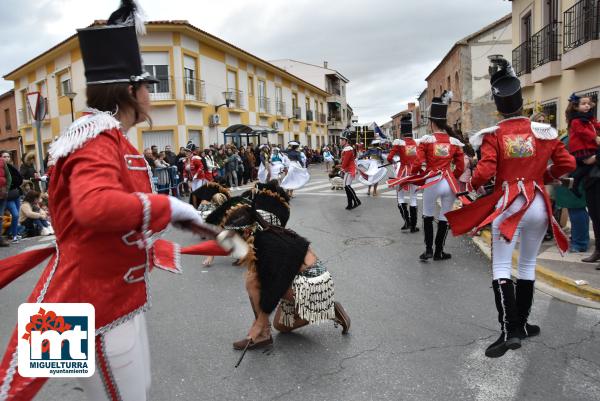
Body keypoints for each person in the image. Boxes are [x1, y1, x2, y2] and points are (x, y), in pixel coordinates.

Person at [0, 3, 247, 399]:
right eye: (147, 85)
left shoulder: (109, 138)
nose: (152, 93)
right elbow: (95, 208)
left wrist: (194, 227)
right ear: (130, 91)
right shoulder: (97, 137)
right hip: (90, 306)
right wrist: (171, 208)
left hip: (100, 297)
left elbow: (115, 221)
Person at [446, 57, 575, 358]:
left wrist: (474, 183)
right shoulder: (544, 133)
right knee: (528, 266)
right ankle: (524, 324)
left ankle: (509, 330)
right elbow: (567, 164)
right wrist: (544, 177)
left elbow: (485, 172)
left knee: (502, 266)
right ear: (521, 104)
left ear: (499, 107)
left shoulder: (494, 135)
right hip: (539, 204)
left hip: (510, 206)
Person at [182, 203, 350, 352]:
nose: (232, 238)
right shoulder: (264, 232)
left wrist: (260, 324)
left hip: (313, 283)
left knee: (253, 280)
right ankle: (328, 310)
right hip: (306, 281)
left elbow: (274, 286)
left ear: (246, 230)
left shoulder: (268, 244)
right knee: (282, 326)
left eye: (233, 234)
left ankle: (263, 334)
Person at [401, 92, 465, 260]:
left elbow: (417, 163)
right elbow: (461, 167)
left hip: (432, 182)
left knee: (428, 215)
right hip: (448, 182)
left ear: (431, 123)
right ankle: (439, 251)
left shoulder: (426, 141)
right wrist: (452, 175)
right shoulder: (454, 142)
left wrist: (415, 176)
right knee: (445, 217)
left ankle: (428, 249)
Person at [387, 115, 420, 233]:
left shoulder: (399, 143)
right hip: (414, 173)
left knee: (400, 197)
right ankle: (413, 226)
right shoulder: (416, 143)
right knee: (413, 197)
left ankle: (407, 221)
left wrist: (395, 162)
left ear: (402, 133)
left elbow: (389, 158)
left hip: (402, 173)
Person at [565, 94, 600, 198]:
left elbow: (596, 125)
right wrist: (595, 137)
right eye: (583, 104)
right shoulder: (576, 120)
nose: (587, 106)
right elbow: (582, 131)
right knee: (589, 162)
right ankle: (574, 180)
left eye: (588, 104)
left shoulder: (589, 117)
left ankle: (575, 181)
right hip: (582, 147)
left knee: (588, 166)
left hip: (589, 146)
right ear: (576, 106)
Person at [2, 151, 23, 243]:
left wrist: (15, 183)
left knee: (16, 216)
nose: (7, 158)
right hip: (7, 195)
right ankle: (14, 235)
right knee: (15, 214)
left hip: (15, 193)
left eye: (8, 156)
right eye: (4, 156)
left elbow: (19, 178)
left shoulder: (12, 167)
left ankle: (14, 233)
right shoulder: (2, 168)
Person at [340, 130, 361, 210]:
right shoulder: (346, 148)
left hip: (350, 169)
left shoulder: (348, 149)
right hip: (348, 169)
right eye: (341, 140)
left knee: (347, 186)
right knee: (346, 186)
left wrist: (342, 168)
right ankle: (350, 203)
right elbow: (344, 160)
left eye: (342, 140)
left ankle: (356, 201)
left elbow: (346, 161)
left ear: (346, 141)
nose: (341, 141)